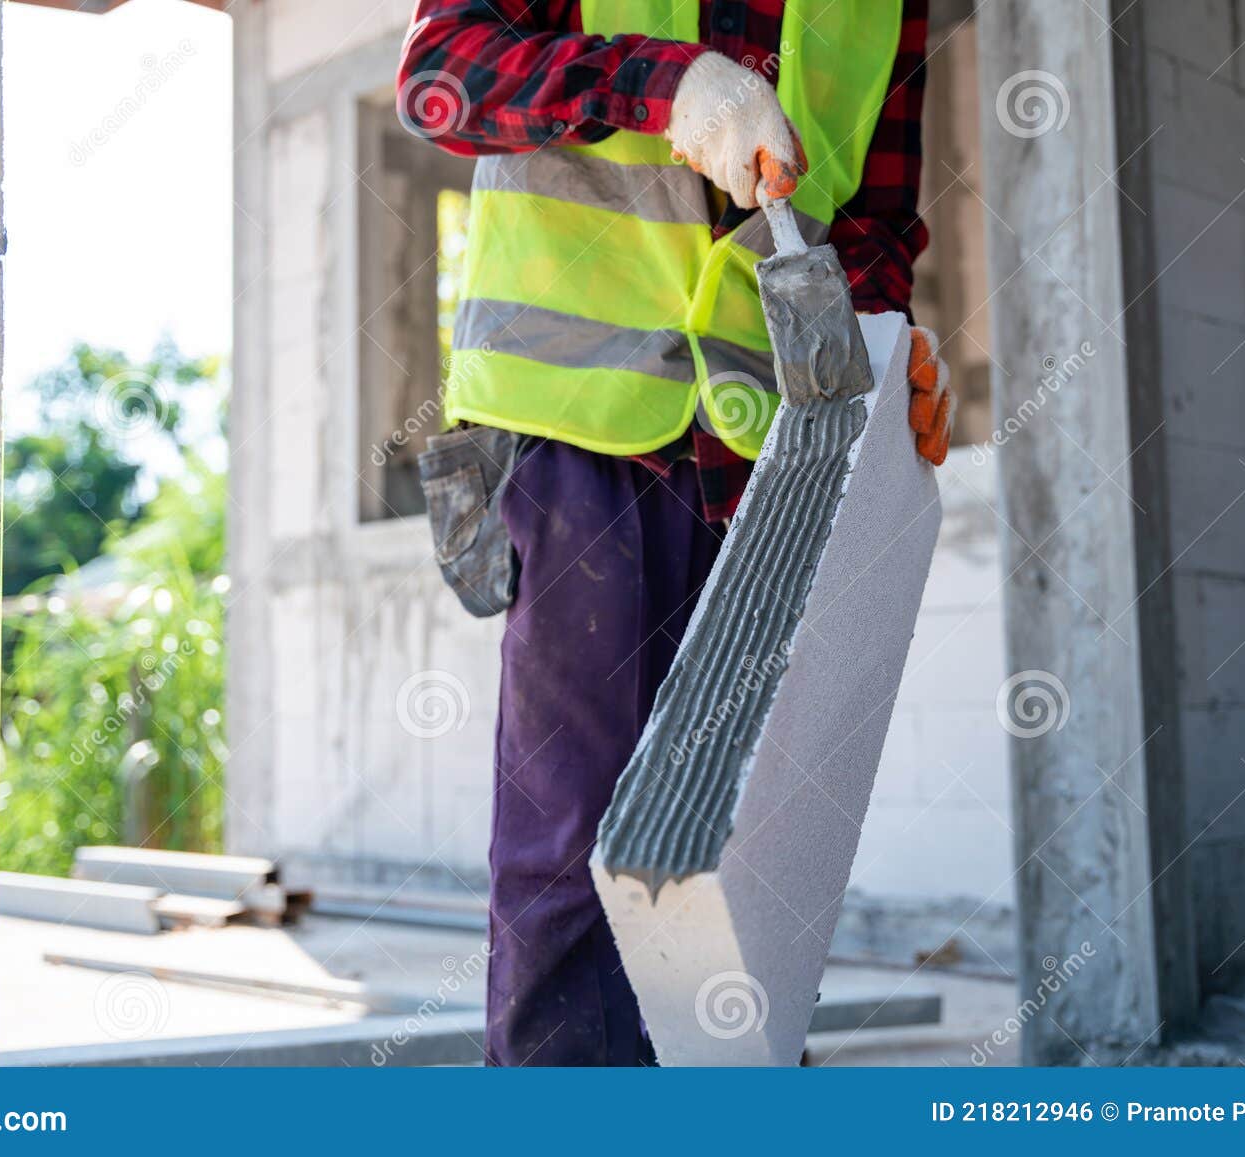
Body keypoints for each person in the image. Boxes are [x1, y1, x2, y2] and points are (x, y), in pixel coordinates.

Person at [398, 0, 951, 1066]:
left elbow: (875, 219)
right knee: (577, 844)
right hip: (581, 427)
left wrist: (888, 349)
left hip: (778, 446)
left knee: (745, 852)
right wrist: (669, 88)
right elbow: (444, 74)